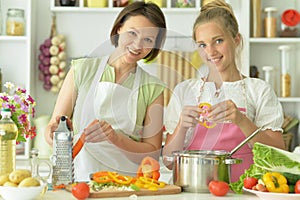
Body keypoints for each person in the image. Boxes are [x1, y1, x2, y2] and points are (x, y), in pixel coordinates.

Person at [162, 0, 285, 182]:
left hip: (243, 191)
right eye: (202, 44)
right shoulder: (185, 91)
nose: (210, 51)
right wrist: (182, 127)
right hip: (194, 192)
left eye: (218, 41)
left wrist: (242, 121)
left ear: (236, 39)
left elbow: (278, 156)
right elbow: (169, 162)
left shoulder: (259, 90)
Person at [44, 2, 166, 181]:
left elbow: (152, 154)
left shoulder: (153, 88)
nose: (138, 45)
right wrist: (54, 134)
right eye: (132, 33)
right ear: (118, 29)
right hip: (76, 180)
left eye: (148, 40)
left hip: (125, 185)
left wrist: (116, 139)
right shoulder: (82, 70)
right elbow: (51, 130)